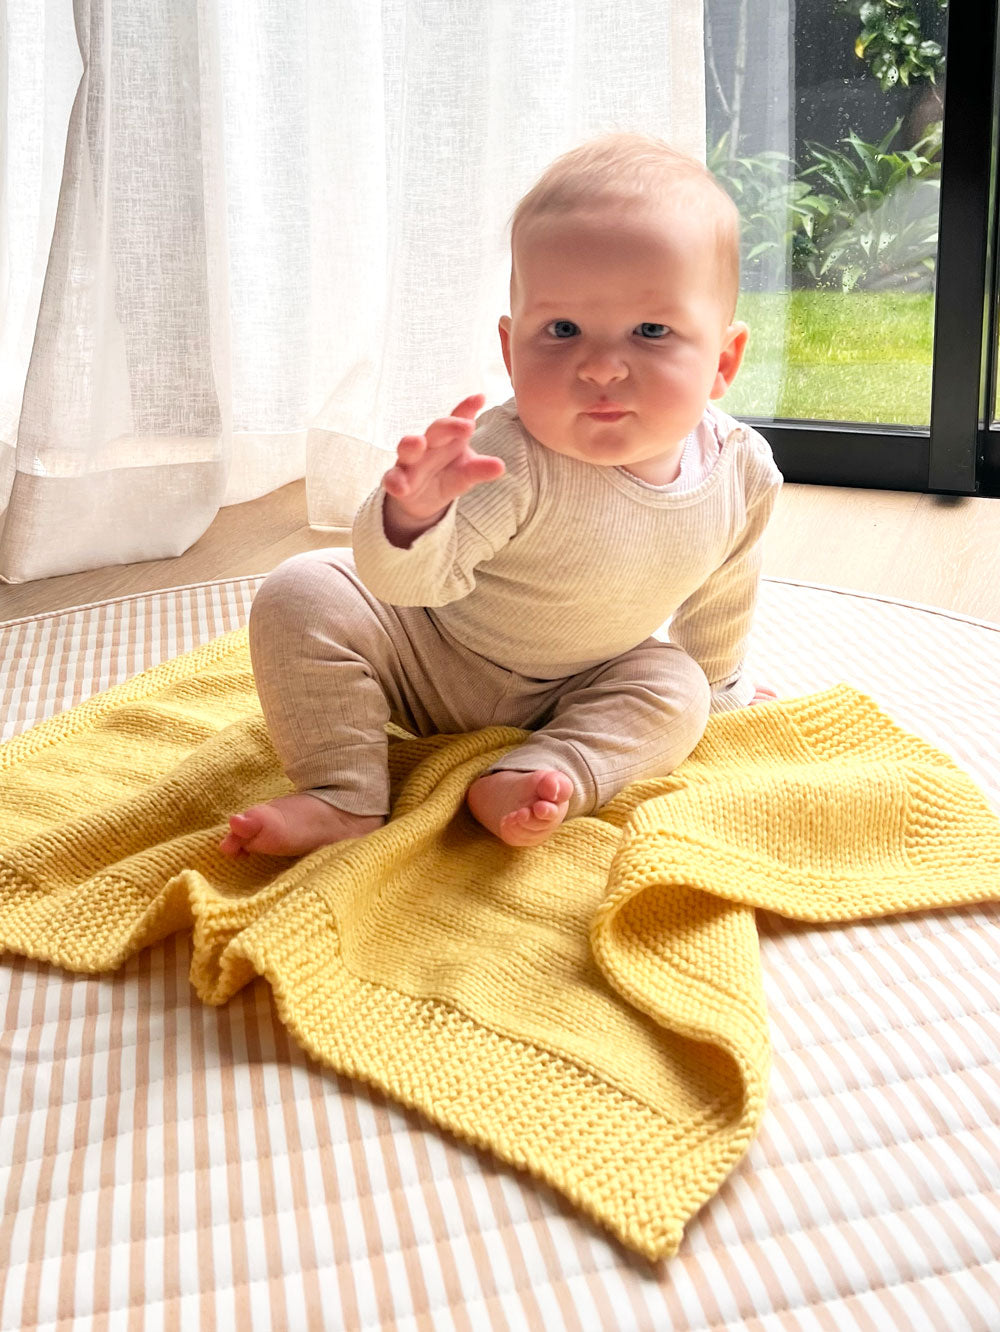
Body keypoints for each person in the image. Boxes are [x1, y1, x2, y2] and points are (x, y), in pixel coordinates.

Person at [219, 132, 782, 859]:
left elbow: (722, 603)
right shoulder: (509, 454)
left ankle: (542, 770)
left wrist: (723, 694)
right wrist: (413, 517)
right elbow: (408, 585)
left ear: (722, 361)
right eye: (564, 329)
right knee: (302, 589)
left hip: (584, 682)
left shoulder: (742, 473)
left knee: (677, 690)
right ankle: (343, 794)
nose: (603, 366)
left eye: (651, 330)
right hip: (430, 655)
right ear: (513, 349)